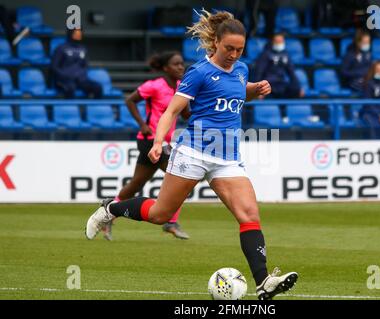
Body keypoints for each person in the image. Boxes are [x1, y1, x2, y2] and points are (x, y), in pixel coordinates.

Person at [86, 9, 298, 300]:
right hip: (194, 152)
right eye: (229, 49)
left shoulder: (241, 69)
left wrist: (256, 89)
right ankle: (111, 209)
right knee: (161, 214)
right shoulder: (198, 72)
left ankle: (264, 282)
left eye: (240, 49)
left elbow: (238, 92)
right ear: (216, 44)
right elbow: (172, 110)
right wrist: (158, 141)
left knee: (249, 214)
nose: (234, 54)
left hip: (227, 157)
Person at [101, 51, 190, 241]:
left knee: (136, 184)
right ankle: (171, 222)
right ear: (166, 68)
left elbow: (185, 115)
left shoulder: (182, 87)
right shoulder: (154, 85)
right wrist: (142, 124)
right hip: (150, 140)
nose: (181, 67)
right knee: (183, 178)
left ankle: (107, 212)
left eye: (182, 63)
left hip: (165, 142)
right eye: (176, 64)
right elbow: (130, 100)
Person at [51, 28, 102, 99]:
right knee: (70, 88)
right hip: (65, 80)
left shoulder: (83, 49)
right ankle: (70, 109)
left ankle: (97, 108)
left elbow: (85, 65)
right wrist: (66, 76)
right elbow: (54, 67)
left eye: (80, 33)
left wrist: (80, 74)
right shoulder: (61, 48)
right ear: (70, 34)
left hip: (80, 79)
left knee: (97, 87)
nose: (79, 34)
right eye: (76, 33)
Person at [253, 33, 303, 99]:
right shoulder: (265, 54)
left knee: (295, 90)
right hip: (269, 84)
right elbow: (259, 72)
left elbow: (292, 73)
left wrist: (298, 88)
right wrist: (258, 90)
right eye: (277, 41)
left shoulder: (285, 54)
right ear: (273, 42)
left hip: (281, 84)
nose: (280, 44)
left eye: (281, 41)